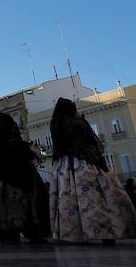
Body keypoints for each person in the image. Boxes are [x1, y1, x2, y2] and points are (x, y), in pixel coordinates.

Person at [48, 98, 136, 243]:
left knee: (70, 198)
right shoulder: (78, 122)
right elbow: (92, 141)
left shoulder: (57, 125)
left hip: (67, 166)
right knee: (100, 196)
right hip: (87, 161)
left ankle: (77, 232)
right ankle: (108, 229)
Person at [0, 113, 49, 243]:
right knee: (28, 206)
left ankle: (9, 232)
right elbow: (28, 156)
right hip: (22, 180)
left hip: (1, 181)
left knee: (5, 208)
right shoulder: (16, 142)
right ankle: (32, 232)